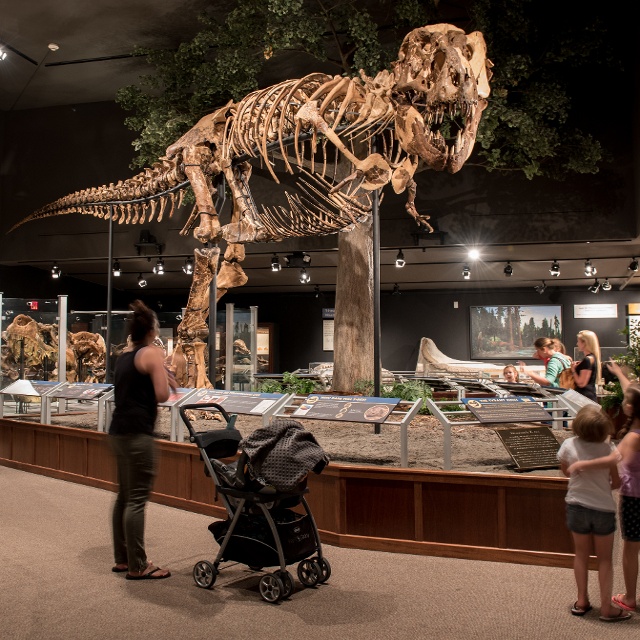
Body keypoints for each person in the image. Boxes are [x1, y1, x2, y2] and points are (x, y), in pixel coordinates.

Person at [109, 300, 177, 580]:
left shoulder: (125, 355)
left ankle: (123, 559)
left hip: (118, 432)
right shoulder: (152, 353)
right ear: (150, 330)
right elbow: (162, 395)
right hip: (138, 434)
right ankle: (139, 565)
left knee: (124, 496)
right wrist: (166, 375)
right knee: (136, 499)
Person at [569, 360, 640, 614]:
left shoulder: (632, 438)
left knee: (632, 547)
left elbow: (612, 459)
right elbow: (633, 389)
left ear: (630, 406)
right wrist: (620, 373)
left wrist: (581, 466)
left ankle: (630, 598)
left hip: (635, 500)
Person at [557, 405, 630, 622]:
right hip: (602, 509)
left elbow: (564, 471)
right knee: (605, 560)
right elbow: (615, 482)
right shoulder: (607, 449)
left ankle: (581, 601)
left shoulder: (569, 445)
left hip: (576, 505)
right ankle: (607, 608)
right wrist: (602, 487)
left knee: (580, 555)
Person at [570, 330, 601, 402]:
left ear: (584, 343)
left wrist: (573, 370)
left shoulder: (588, 359)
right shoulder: (593, 358)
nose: (577, 344)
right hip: (587, 396)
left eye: (578, 341)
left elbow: (581, 383)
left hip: (584, 398)